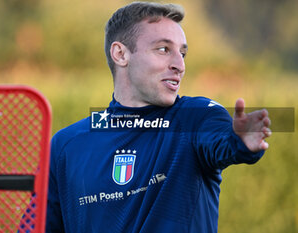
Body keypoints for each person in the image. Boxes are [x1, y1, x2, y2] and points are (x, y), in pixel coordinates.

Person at [46, 2, 271, 233]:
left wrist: (240, 141)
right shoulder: (66, 145)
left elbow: (223, 142)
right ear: (120, 54)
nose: (180, 65)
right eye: (164, 49)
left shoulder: (195, 117)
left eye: (182, 53)